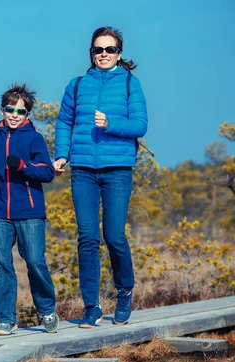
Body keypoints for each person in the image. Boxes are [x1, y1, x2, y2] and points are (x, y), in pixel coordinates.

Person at [53, 26, 148, 328]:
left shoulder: (131, 84)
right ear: (91, 53)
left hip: (117, 170)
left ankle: (124, 292)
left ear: (119, 53)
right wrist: (62, 154)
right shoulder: (77, 85)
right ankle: (91, 307)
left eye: (109, 50)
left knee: (114, 236)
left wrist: (111, 123)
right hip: (82, 171)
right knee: (87, 238)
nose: (103, 54)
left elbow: (140, 125)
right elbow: (63, 122)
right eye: (98, 50)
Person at [0, 83, 59, 336]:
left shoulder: (34, 138)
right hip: (0, 211)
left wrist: (22, 165)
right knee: (0, 264)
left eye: (20, 111)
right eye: (9, 109)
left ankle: (47, 310)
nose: (14, 115)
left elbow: (47, 172)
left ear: (28, 115)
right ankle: (5, 319)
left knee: (35, 261)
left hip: (30, 211)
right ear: (1, 110)